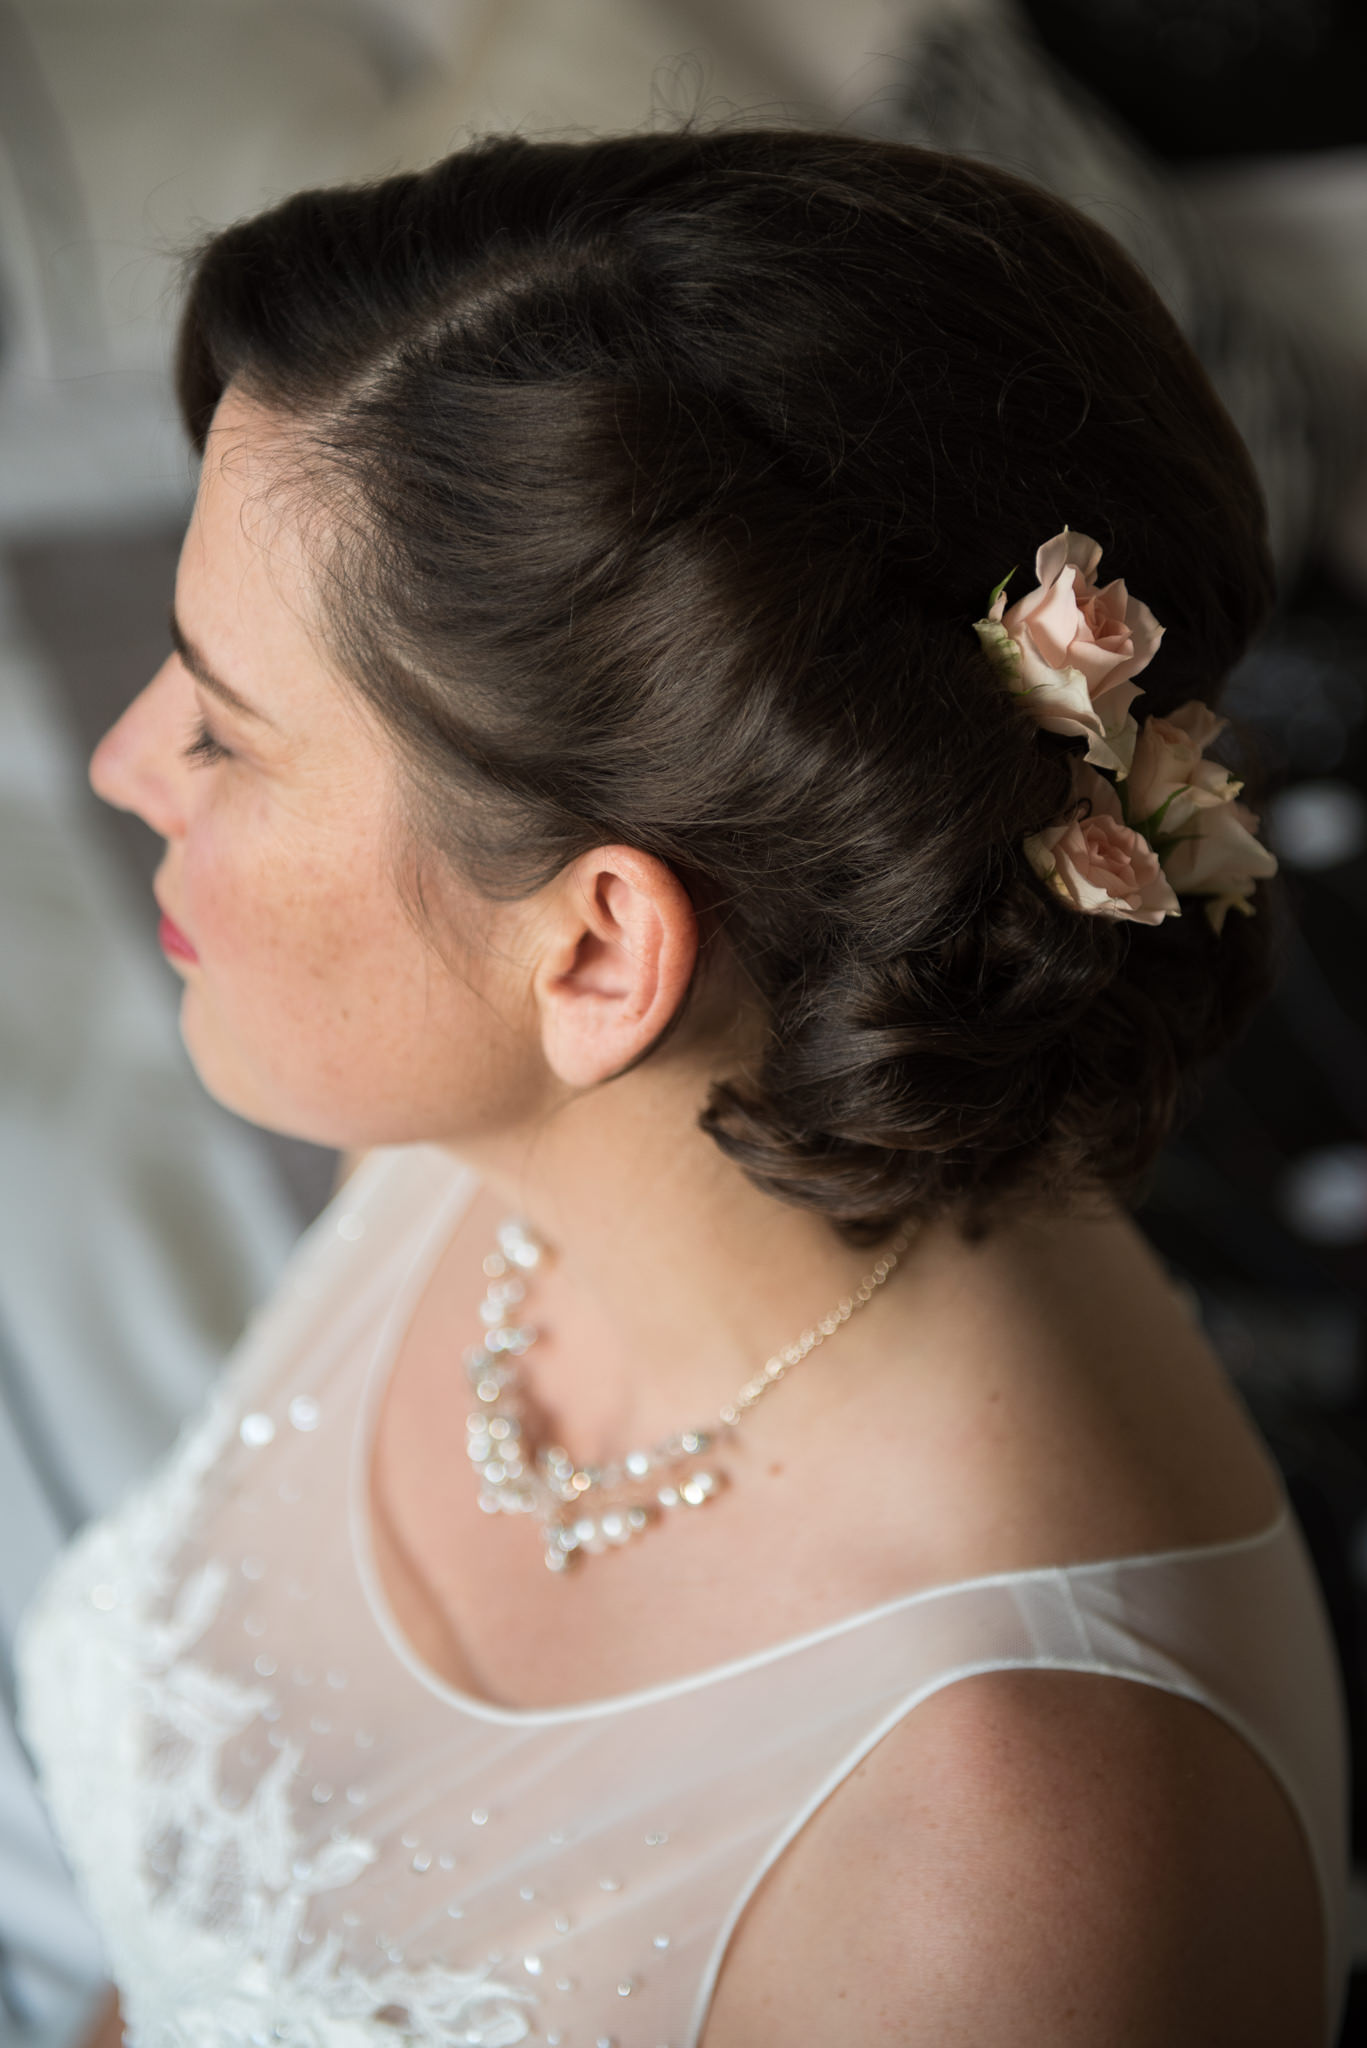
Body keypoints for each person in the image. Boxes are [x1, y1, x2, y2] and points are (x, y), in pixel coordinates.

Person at [14, 127, 1349, 2047]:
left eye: (222, 728)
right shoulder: (498, 1132)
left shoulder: (1011, 1857)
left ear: (595, 954)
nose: (126, 761)